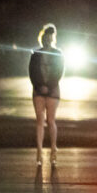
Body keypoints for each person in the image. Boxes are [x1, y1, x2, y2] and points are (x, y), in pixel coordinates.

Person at [29, 24, 64, 166]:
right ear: (42, 39)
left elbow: (59, 72)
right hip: (38, 90)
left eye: (50, 38)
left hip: (53, 90)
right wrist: (39, 86)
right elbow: (32, 72)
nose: (47, 41)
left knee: (50, 120)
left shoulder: (58, 54)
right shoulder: (35, 54)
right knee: (39, 120)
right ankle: (39, 150)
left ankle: (53, 149)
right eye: (45, 38)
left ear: (53, 39)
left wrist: (48, 86)